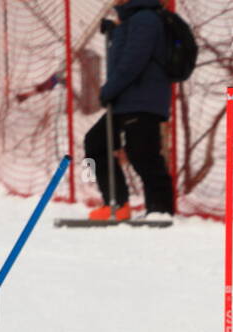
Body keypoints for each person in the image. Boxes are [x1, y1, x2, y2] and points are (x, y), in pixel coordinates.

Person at [85, 0, 175, 222]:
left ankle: (160, 210)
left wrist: (109, 89)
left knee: (143, 153)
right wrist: (116, 32)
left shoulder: (146, 19)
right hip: (127, 99)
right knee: (97, 143)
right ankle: (117, 203)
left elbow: (133, 62)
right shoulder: (132, 19)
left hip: (142, 99)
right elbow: (127, 56)